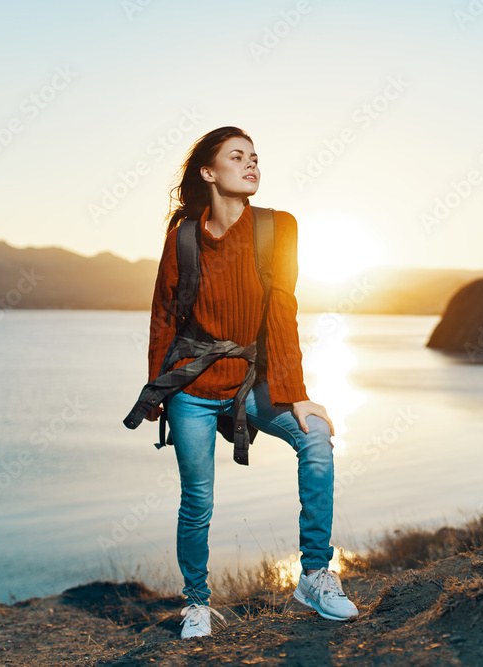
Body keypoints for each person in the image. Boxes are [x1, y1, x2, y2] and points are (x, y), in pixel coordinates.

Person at [143, 126, 358, 639]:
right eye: (237, 157)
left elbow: (283, 309)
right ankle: (196, 602)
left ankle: (313, 576)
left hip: (254, 382)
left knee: (317, 439)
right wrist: (156, 388)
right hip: (191, 388)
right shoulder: (184, 239)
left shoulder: (278, 227)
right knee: (197, 500)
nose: (252, 164)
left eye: (256, 157)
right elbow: (164, 316)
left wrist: (297, 393)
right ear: (209, 172)